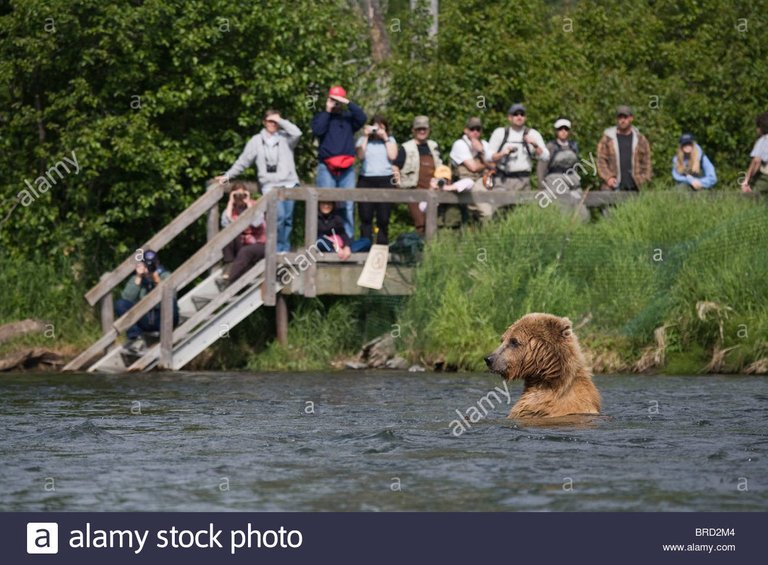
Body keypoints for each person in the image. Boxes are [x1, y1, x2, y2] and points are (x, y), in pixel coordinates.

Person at [216, 109, 301, 252]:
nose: (273, 124)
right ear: (264, 122)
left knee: (287, 219)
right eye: (270, 121)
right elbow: (243, 161)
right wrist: (227, 176)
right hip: (270, 186)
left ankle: (284, 248)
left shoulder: (285, 138)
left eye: (275, 121)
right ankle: (276, 249)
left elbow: (297, 133)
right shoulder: (256, 141)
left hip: (289, 183)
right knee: (277, 217)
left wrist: (280, 120)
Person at [311, 85, 367, 239]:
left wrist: (347, 103)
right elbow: (317, 130)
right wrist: (328, 110)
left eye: (337, 100)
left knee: (347, 206)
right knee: (324, 204)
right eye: (332, 99)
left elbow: (362, 118)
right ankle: (323, 241)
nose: (335, 103)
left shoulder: (349, 118)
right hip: (326, 167)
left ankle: (347, 241)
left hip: (347, 168)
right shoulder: (322, 116)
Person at [115, 249, 179, 354]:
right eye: (147, 265)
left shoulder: (165, 275)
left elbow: (171, 296)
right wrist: (139, 277)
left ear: (157, 263)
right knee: (120, 304)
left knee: (172, 303)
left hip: (162, 317)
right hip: (144, 319)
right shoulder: (137, 278)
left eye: (152, 264)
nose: (149, 268)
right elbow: (126, 298)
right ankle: (135, 338)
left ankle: (166, 337)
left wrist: (157, 280)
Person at [391, 116, 443, 237]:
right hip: (413, 190)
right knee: (420, 223)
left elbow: (441, 167)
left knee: (433, 221)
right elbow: (395, 166)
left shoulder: (433, 146)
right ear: (413, 131)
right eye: (419, 129)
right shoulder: (406, 147)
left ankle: (432, 251)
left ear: (428, 130)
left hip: (433, 190)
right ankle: (421, 252)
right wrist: (398, 184)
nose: (422, 131)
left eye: (424, 129)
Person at [489, 103, 550, 193]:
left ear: (525, 117)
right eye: (516, 114)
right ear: (509, 117)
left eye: (522, 114)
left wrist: (535, 145)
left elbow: (545, 157)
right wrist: (502, 153)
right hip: (502, 180)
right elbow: (489, 157)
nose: (519, 117)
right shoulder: (500, 133)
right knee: (500, 206)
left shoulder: (533, 133)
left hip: (523, 181)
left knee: (521, 207)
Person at [356, 115, 398, 245]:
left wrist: (385, 138)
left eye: (381, 128)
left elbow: (393, 155)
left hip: (385, 180)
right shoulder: (363, 140)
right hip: (366, 179)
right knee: (366, 216)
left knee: (383, 217)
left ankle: (382, 245)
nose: (377, 130)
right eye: (375, 127)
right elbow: (360, 156)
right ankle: (365, 245)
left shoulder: (390, 140)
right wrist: (367, 136)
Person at [536, 118, 589, 220]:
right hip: (555, 180)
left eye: (566, 129)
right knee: (562, 208)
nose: (564, 131)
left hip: (572, 179)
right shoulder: (550, 146)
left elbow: (576, 165)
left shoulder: (573, 146)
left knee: (581, 210)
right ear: (556, 131)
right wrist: (541, 184)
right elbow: (541, 166)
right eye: (561, 129)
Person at [219, 183, 266, 287]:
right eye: (237, 195)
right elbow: (225, 225)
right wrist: (231, 202)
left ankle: (229, 280)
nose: (240, 198)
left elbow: (257, 223)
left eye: (242, 194)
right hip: (242, 243)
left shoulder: (255, 206)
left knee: (246, 251)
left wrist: (249, 204)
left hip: (259, 244)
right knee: (228, 233)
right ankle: (230, 263)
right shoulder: (230, 210)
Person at [597, 105, 652, 191]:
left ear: (631, 118)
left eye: (625, 117)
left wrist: (644, 179)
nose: (622, 120)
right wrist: (608, 177)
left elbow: (647, 162)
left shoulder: (641, 139)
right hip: (614, 186)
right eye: (620, 117)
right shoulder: (607, 138)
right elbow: (601, 161)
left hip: (636, 186)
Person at [449, 117, 494, 222]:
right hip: (465, 186)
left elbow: (494, 165)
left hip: (484, 183)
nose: (475, 132)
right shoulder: (460, 144)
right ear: (466, 130)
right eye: (472, 129)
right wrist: (486, 163)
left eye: (478, 129)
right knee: (486, 213)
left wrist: (481, 151)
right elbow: (473, 168)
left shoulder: (485, 144)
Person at [741, 112, 768, 195]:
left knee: (750, 197)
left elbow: (756, 161)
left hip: (765, 177)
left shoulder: (763, 140)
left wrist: (747, 179)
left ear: (762, 128)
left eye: (757, 127)